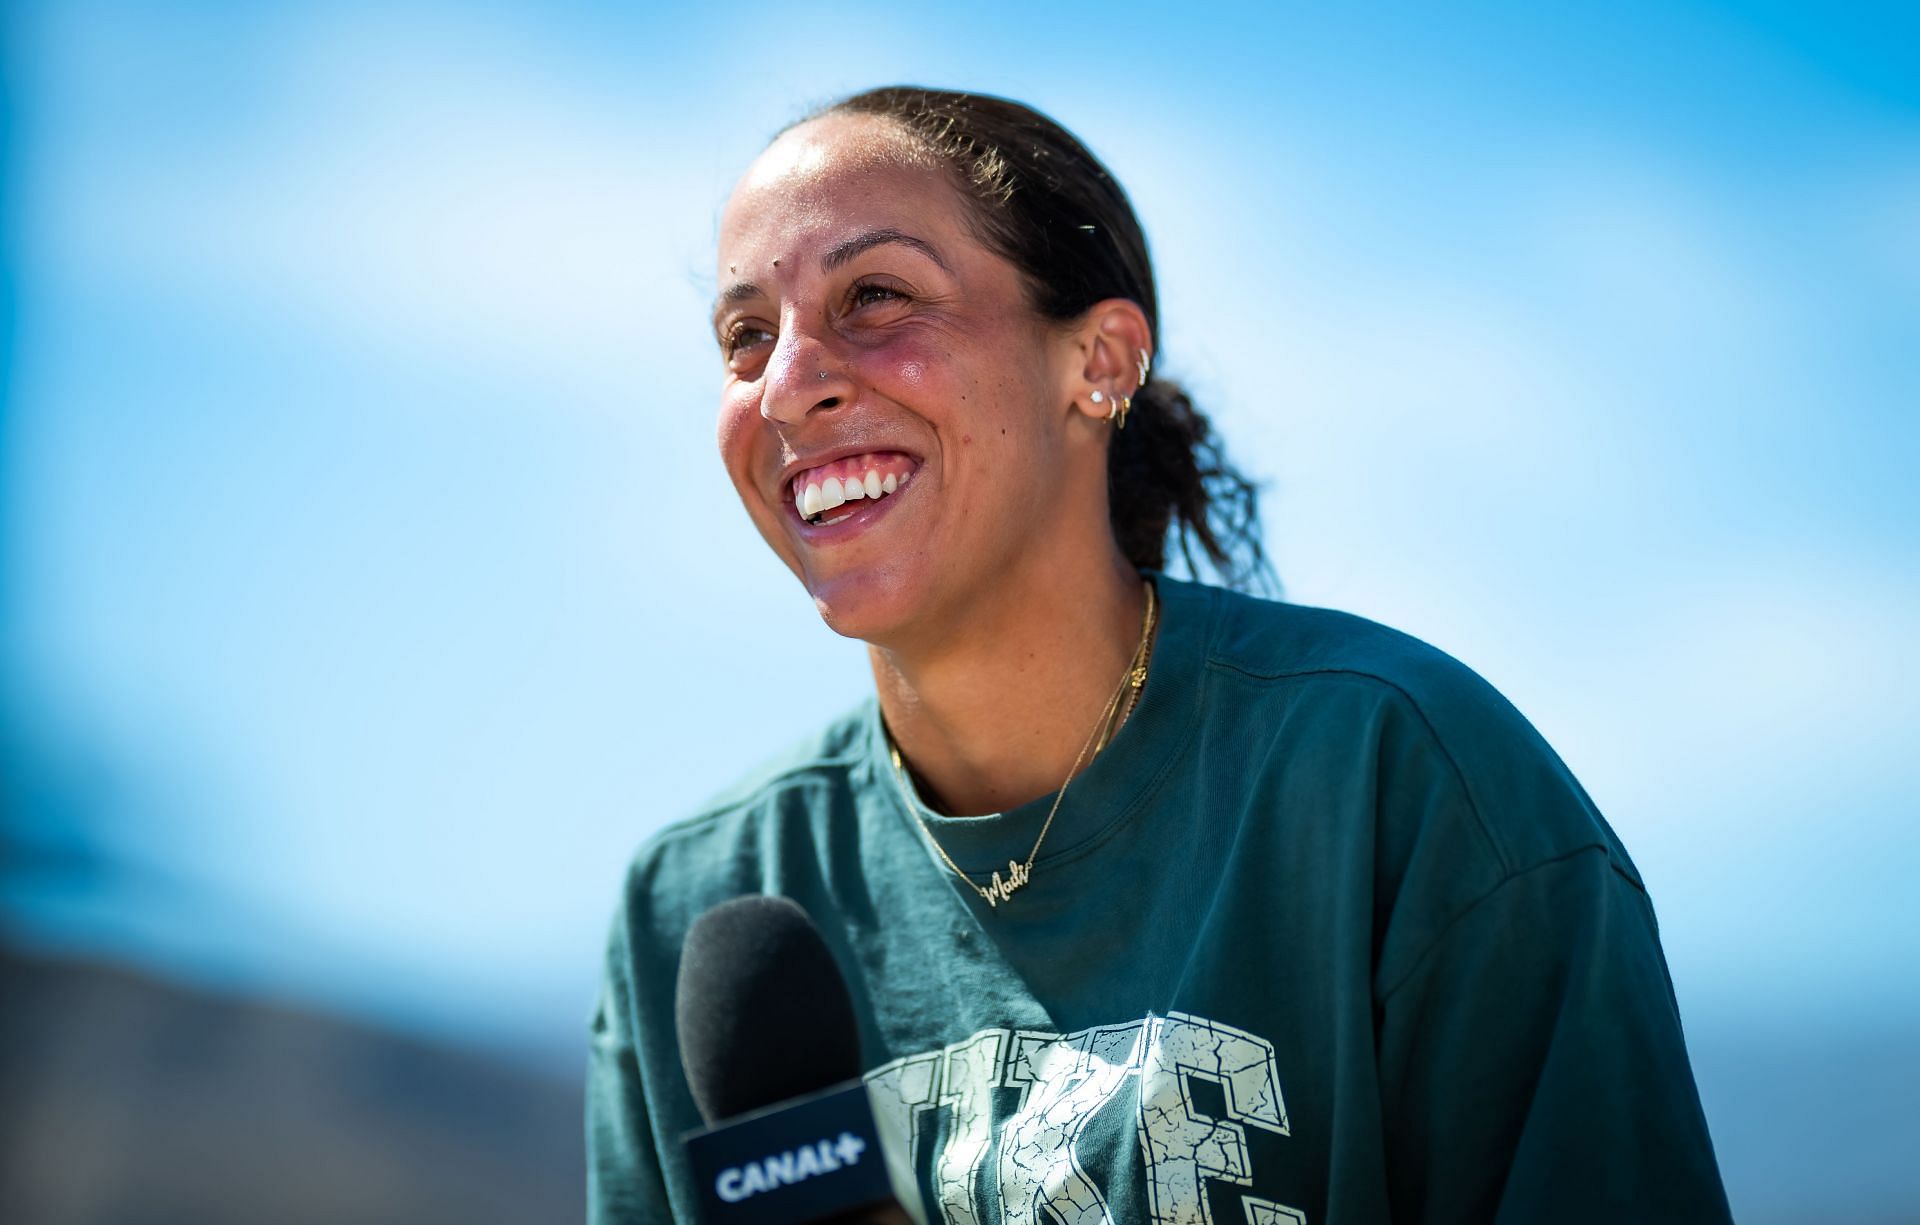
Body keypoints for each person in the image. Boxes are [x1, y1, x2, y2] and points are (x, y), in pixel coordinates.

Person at [586, 86, 1732, 1225]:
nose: (788, 383)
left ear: (1100, 361)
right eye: (746, 336)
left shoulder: (1398, 780)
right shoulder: (697, 904)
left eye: (876, 296)